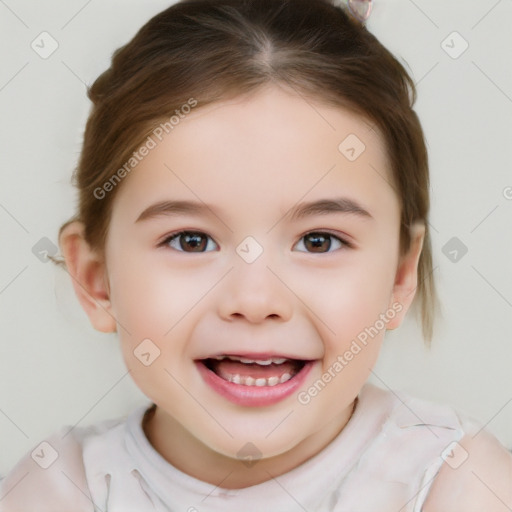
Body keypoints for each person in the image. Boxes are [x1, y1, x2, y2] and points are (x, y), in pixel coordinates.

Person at [1, 0, 511, 510]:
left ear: (400, 277)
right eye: (191, 240)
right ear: (96, 281)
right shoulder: (59, 490)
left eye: (319, 241)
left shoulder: (459, 485)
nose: (255, 298)